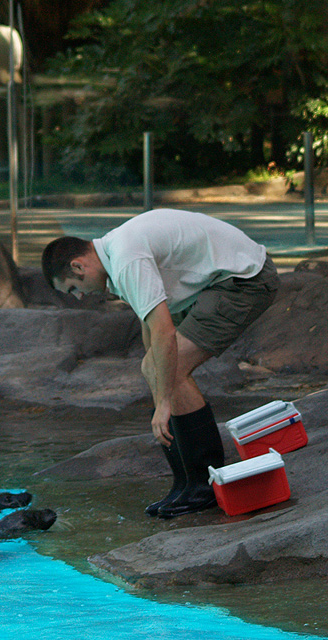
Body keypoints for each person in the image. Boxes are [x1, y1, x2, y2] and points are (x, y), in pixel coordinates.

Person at [41, 209, 279, 518]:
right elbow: (149, 325)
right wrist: (155, 378)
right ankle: (184, 484)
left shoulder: (126, 258)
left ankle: (205, 487)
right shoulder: (115, 254)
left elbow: (165, 332)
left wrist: (164, 400)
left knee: (174, 372)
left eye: (72, 288)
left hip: (245, 279)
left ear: (78, 265)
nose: (78, 297)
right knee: (153, 367)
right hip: (213, 284)